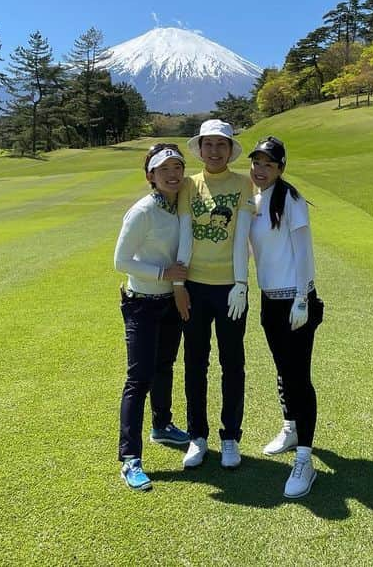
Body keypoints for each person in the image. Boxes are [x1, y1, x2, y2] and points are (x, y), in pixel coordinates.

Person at [112, 142, 193, 491]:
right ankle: (130, 458)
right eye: (164, 170)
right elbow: (121, 261)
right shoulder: (142, 211)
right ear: (151, 176)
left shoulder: (182, 207)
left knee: (164, 367)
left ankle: (162, 426)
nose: (173, 175)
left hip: (169, 302)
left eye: (177, 168)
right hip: (142, 302)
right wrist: (164, 274)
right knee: (139, 378)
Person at [247, 136, 324, 498]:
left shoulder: (291, 200)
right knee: (282, 370)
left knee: (298, 377)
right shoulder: (254, 199)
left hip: (295, 301)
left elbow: (303, 251)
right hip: (269, 302)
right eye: (256, 163)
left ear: (280, 168)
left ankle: (305, 460)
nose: (259, 170)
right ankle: (290, 427)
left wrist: (301, 298)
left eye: (267, 164)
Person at [175, 119, 254, 469]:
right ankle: (198, 436)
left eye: (221, 144)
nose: (215, 151)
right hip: (195, 286)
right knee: (195, 362)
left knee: (232, 363)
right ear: (200, 148)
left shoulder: (243, 183)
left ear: (230, 149)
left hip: (229, 288)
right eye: (208, 144)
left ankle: (231, 436)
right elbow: (183, 233)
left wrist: (241, 283)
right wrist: (179, 285)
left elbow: (242, 237)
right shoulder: (189, 186)